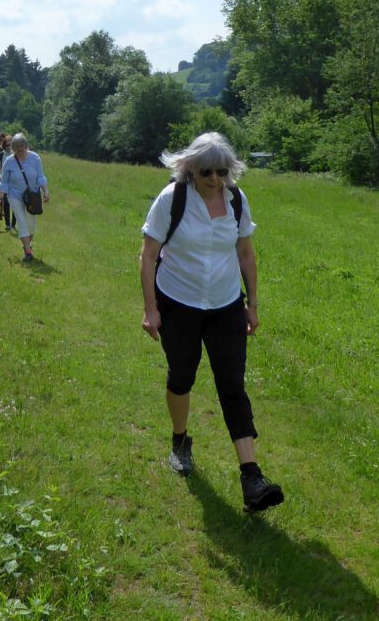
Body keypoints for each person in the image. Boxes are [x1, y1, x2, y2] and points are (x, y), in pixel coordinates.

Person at [138, 132, 284, 513]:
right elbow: (148, 255)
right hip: (178, 303)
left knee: (233, 385)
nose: (216, 179)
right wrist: (151, 309)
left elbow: (246, 252)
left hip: (225, 306)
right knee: (182, 376)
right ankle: (180, 440)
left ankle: (252, 476)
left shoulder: (237, 200)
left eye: (222, 171)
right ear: (190, 168)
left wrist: (252, 304)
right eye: (207, 171)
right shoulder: (173, 199)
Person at [0, 133, 49, 262]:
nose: (20, 149)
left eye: (22, 146)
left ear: (26, 145)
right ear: (13, 148)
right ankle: (28, 251)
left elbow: (40, 176)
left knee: (31, 224)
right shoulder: (9, 161)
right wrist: (1, 197)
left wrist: (46, 191)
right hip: (15, 196)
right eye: (17, 147)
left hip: (32, 196)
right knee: (21, 221)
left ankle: (27, 244)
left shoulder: (35, 158)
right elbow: (4, 181)